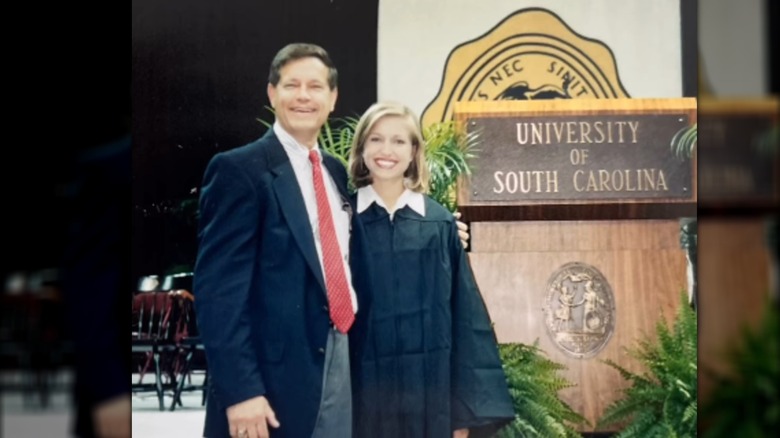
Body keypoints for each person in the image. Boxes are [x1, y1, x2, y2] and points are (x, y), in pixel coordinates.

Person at [194, 43, 470, 438]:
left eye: (315, 86)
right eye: (292, 85)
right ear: (272, 93)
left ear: (332, 98)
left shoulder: (336, 173)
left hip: (341, 360)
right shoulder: (240, 171)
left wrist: (445, 233)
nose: (304, 96)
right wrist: (241, 391)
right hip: (271, 383)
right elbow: (219, 294)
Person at [347, 101, 515, 438]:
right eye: (376, 139)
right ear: (362, 148)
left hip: (430, 398)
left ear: (413, 153)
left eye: (399, 141)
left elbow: (466, 323)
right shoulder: (342, 219)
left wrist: (462, 417)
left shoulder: (438, 224)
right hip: (359, 396)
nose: (386, 150)